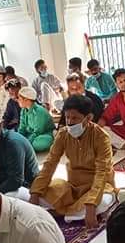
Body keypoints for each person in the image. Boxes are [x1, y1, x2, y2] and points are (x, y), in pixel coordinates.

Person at [30, 95, 115, 228]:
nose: (69, 122)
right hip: (73, 187)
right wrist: (35, 193)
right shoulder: (63, 134)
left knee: (103, 202)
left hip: (98, 186)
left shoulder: (101, 137)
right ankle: (72, 214)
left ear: (88, 118)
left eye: (75, 118)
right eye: (67, 117)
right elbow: (50, 163)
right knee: (44, 192)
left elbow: (102, 172)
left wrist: (92, 203)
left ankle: (62, 212)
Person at [17, 86, 56, 153]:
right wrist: (18, 139)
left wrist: (25, 143)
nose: (18, 100)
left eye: (19, 99)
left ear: (26, 100)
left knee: (39, 143)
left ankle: (27, 148)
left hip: (43, 135)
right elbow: (22, 128)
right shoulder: (23, 110)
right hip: (30, 135)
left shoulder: (40, 111)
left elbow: (38, 131)